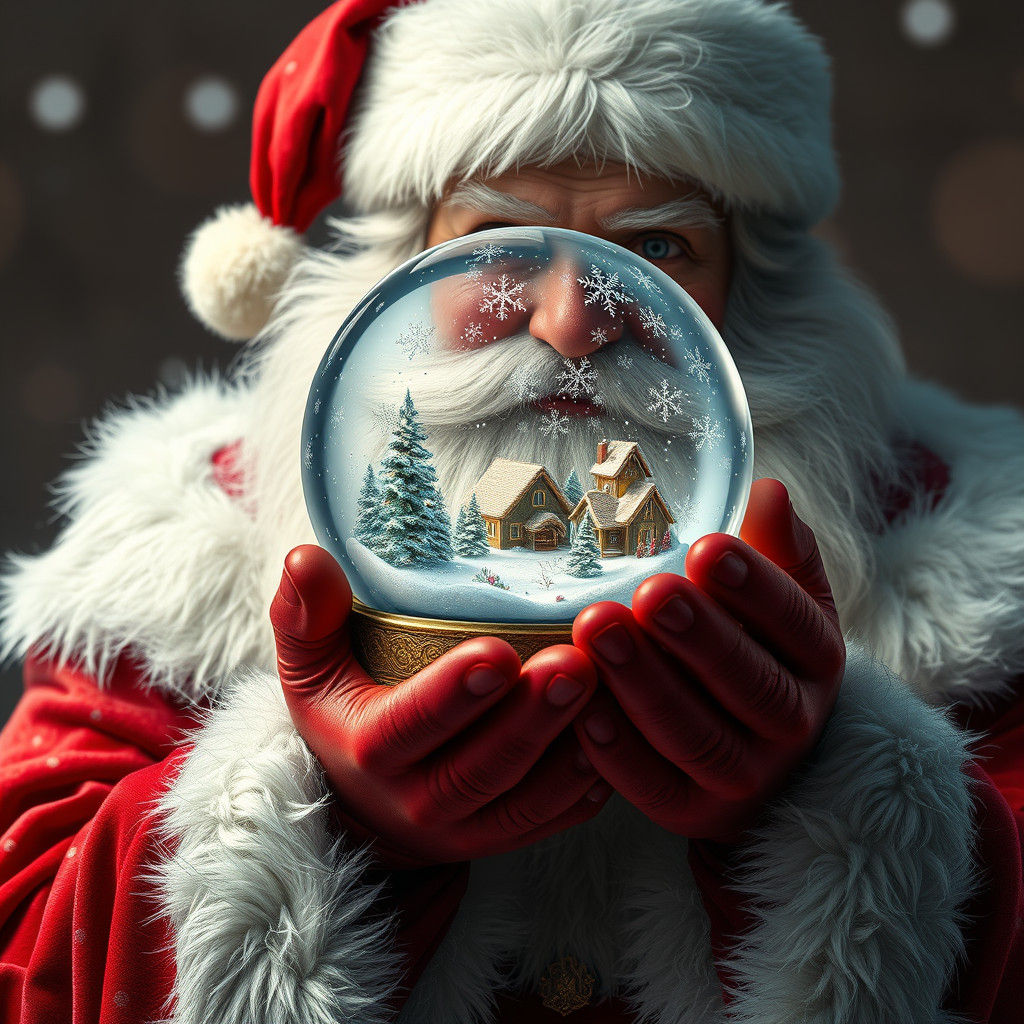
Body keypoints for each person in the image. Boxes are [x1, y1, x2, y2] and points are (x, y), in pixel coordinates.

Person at [1, 0, 1023, 1021]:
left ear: (751, 288)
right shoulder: (182, 548)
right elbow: (25, 935)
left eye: (658, 247)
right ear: (401, 263)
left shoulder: (970, 550)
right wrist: (321, 823)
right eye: (498, 236)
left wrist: (833, 801)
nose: (573, 322)